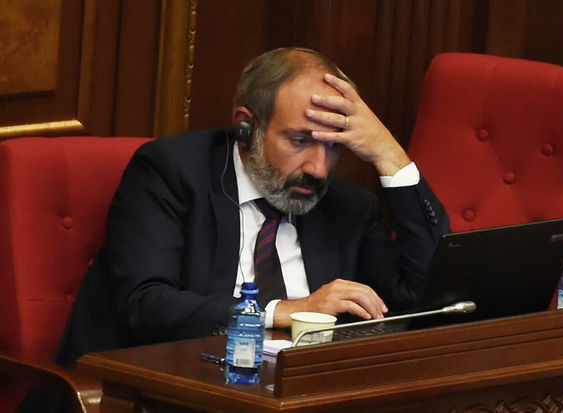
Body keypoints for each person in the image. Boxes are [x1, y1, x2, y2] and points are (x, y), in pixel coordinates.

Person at [53, 47, 450, 366]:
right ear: (246, 128)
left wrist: (389, 155)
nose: (318, 168)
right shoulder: (172, 173)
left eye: (333, 146)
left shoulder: (346, 207)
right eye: (300, 141)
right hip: (158, 388)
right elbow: (144, 305)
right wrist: (281, 311)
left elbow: (430, 295)